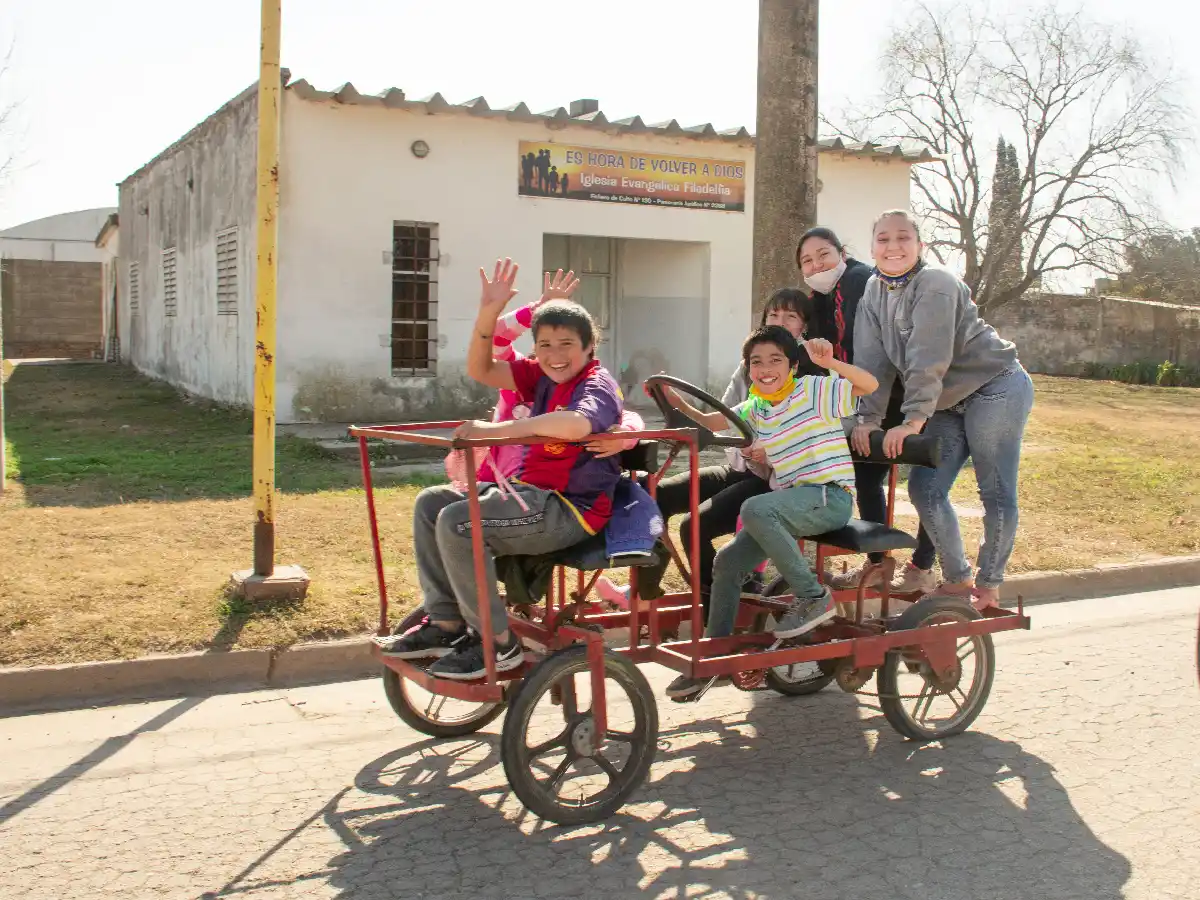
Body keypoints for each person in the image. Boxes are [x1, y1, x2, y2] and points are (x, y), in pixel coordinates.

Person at [377, 259, 624, 679]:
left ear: (588, 348)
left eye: (566, 344)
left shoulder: (596, 384)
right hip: (528, 497)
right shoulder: (540, 375)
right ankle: (445, 622)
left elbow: (576, 424)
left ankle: (497, 644)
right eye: (544, 344)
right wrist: (489, 313)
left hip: (569, 509)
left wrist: (497, 431)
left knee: (459, 521)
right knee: (431, 503)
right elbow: (482, 369)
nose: (554, 355)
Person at [661, 325, 879, 699]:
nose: (765, 368)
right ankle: (716, 653)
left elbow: (869, 385)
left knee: (754, 507)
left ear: (793, 365)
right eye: (756, 362)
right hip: (791, 504)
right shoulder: (755, 406)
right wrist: (676, 402)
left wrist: (830, 363)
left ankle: (813, 597)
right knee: (728, 562)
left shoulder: (812, 391)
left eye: (775, 360)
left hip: (829, 496)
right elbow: (716, 422)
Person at [851, 210, 1034, 611]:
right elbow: (871, 362)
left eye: (903, 238)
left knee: (995, 490)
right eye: (883, 239)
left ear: (921, 246)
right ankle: (956, 578)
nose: (893, 246)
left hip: (995, 385)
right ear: (872, 248)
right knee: (924, 489)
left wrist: (913, 420)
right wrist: (868, 418)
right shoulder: (872, 291)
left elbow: (927, 356)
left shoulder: (935, 283)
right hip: (948, 402)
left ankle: (988, 584)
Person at [595, 288, 820, 611]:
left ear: (803, 329)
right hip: (738, 468)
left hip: (773, 480)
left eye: (791, 317)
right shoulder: (749, 366)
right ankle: (644, 594)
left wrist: (770, 448)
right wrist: (674, 400)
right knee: (651, 493)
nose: (780, 322)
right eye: (774, 315)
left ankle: (719, 605)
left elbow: (808, 431)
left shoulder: (806, 374)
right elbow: (718, 420)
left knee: (693, 526)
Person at [797, 226, 937, 595]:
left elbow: (875, 353)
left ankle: (921, 565)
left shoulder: (861, 282)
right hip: (871, 398)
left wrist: (868, 417)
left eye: (823, 254)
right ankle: (879, 565)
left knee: (927, 485)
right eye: (807, 261)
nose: (817, 264)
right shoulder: (821, 296)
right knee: (866, 479)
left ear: (843, 251)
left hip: (903, 396)